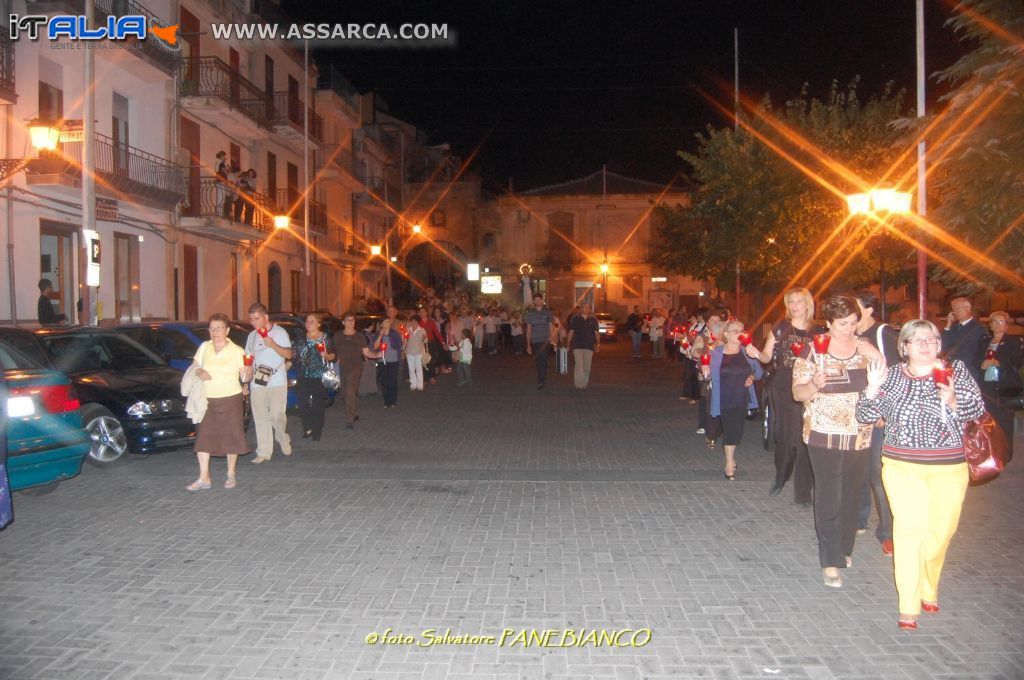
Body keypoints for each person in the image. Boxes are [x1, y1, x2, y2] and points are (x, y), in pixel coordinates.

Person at [857, 319, 984, 629]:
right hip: (902, 465)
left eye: (931, 339)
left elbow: (977, 411)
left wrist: (953, 400)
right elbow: (864, 415)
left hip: (949, 468)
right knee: (909, 531)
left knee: (940, 535)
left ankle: (929, 585)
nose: (925, 344)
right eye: (917, 340)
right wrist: (871, 389)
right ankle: (908, 604)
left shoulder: (957, 372)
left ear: (939, 344)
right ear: (905, 347)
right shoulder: (892, 377)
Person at [791, 294, 884, 589]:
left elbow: (883, 381)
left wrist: (875, 361)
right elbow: (797, 393)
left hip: (860, 433)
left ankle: (844, 548)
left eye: (854, 323)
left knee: (852, 494)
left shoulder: (864, 349)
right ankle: (830, 560)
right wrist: (814, 383)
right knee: (830, 495)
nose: (849, 329)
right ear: (828, 322)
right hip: (824, 433)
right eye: (842, 323)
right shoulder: (812, 351)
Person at [746, 286, 824, 504]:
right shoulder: (780, 327)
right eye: (791, 302)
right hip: (782, 385)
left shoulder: (818, 332)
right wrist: (755, 352)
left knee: (806, 436)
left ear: (807, 304)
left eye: (799, 301)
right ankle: (781, 476)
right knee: (785, 435)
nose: (795, 306)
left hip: (808, 384)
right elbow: (766, 357)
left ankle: (803, 491)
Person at [852, 290, 901, 556]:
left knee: (878, 474)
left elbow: (896, 371)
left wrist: (884, 410)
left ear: (869, 310)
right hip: (854, 412)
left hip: (878, 416)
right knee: (857, 469)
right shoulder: (850, 336)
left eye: (855, 308)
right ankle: (859, 519)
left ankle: (888, 532)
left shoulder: (882, 334)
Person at [187, 313, 250, 490]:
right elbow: (195, 366)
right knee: (204, 436)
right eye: (212, 328)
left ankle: (231, 474)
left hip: (230, 398)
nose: (215, 332)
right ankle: (204, 477)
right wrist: (200, 372)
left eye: (219, 328)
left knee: (232, 435)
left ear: (227, 330)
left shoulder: (237, 351)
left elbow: (244, 374)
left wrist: (247, 378)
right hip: (206, 400)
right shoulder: (204, 347)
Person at [709, 320, 763, 480]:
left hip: (741, 396)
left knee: (736, 429)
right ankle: (729, 461)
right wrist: (704, 369)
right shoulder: (717, 353)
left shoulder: (747, 351)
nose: (740, 333)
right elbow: (706, 371)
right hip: (724, 396)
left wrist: (752, 377)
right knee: (730, 428)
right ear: (726, 334)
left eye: (742, 330)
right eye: (735, 330)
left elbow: (759, 371)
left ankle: (731, 456)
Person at [244, 303, 292, 463]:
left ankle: (282, 436)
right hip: (258, 381)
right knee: (260, 416)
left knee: (277, 416)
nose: (254, 322)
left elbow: (288, 354)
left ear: (266, 317)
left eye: (256, 318)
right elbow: (248, 359)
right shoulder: (251, 336)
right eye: (251, 319)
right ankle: (264, 451)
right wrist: (245, 381)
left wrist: (272, 344)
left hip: (277, 379)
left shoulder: (279, 332)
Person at [977, 311, 1022, 459]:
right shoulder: (984, 341)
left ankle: (1005, 454)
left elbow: (1018, 362)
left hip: (1005, 386)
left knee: (1005, 422)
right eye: (993, 322)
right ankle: (991, 452)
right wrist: (981, 365)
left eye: (1000, 322)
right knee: (989, 422)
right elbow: (975, 360)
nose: (996, 325)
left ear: (1007, 325)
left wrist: (999, 363)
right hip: (987, 387)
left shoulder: (1013, 342)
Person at [331, 312, 380, 429]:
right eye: (348, 320)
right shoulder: (337, 336)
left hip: (356, 367)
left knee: (349, 391)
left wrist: (378, 354)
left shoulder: (359, 336)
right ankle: (354, 411)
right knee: (345, 394)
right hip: (343, 367)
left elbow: (366, 352)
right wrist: (332, 358)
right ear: (343, 322)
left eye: (352, 320)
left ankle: (349, 419)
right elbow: (333, 351)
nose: (350, 322)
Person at [294, 312, 335, 442]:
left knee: (318, 405)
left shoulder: (325, 338)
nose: (308, 324)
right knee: (303, 404)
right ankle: (307, 427)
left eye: (312, 321)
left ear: (318, 324)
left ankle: (316, 430)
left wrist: (327, 356)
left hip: (319, 376)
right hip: (303, 375)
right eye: (307, 321)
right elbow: (295, 355)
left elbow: (334, 355)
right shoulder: (301, 338)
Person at [940, 297, 986, 382]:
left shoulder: (978, 329)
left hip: (969, 370)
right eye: (953, 309)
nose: (955, 312)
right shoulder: (952, 327)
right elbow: (943, 346)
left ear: (968, 309)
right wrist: (947, 325)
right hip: (951, 369)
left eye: (957, 309)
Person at [525, 293, 556, 389]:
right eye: (536, 300)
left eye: (539, 299)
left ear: (542, 301)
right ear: (533, 301)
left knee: (543, 360)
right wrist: (528, 344)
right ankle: (542, 377)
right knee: (538, 361)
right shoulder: (530, 313)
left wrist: (553, 341)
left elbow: (551, 328)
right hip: (535, 341)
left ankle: (541, 380)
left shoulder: (548, 313)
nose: (538, 301)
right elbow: (528, 329)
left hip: (545, 340)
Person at [567, 303, 600, 389]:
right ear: (581, 309)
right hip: (577, 345)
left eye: (589, 308)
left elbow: (597, 333)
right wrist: (568, 344)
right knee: (579, 365)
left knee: (587, 366)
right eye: (585, 307)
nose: (587, 309)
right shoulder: (575, 319)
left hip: (589, 346)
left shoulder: (593, 320)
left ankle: (584, 383)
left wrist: (598, 344)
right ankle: (578, 383)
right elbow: (571, 332)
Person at [374, 317, 403, 408]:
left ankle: (393, 400)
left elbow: (399, 345)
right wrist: (380, 336)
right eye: (385, 322)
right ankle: (386, 401)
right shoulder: (378, 334)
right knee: (384, 381)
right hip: (382, 361)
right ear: (381, 325)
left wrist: (391, 341)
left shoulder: (394, 333)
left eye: (388, 321)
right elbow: (375, 347)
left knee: (392, 380)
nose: (388, 323)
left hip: (393, 360)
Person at [405, 315, 427, 391]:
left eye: (415, 321)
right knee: (411, 369)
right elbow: (404, 340)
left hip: (419, 351)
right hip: (409, 351)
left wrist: (424, 338)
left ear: (418, 322)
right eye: (412, 321)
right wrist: (405, 338)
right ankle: (413, 384)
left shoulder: (422, 330)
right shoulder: (407, 330)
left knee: (419, 368)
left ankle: (420, 385)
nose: (414, 322)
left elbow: (425, 341)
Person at [214, 150, 231, 218]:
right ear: (222, 156)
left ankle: (219, 213)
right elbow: (226, 173)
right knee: (221, 198)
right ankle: (219, 213)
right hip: (221, 182)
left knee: (221, 197)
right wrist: (229, 169)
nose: (226, 158)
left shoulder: (218, 163)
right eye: (225, 156)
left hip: (220, 182)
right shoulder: (221, 164)